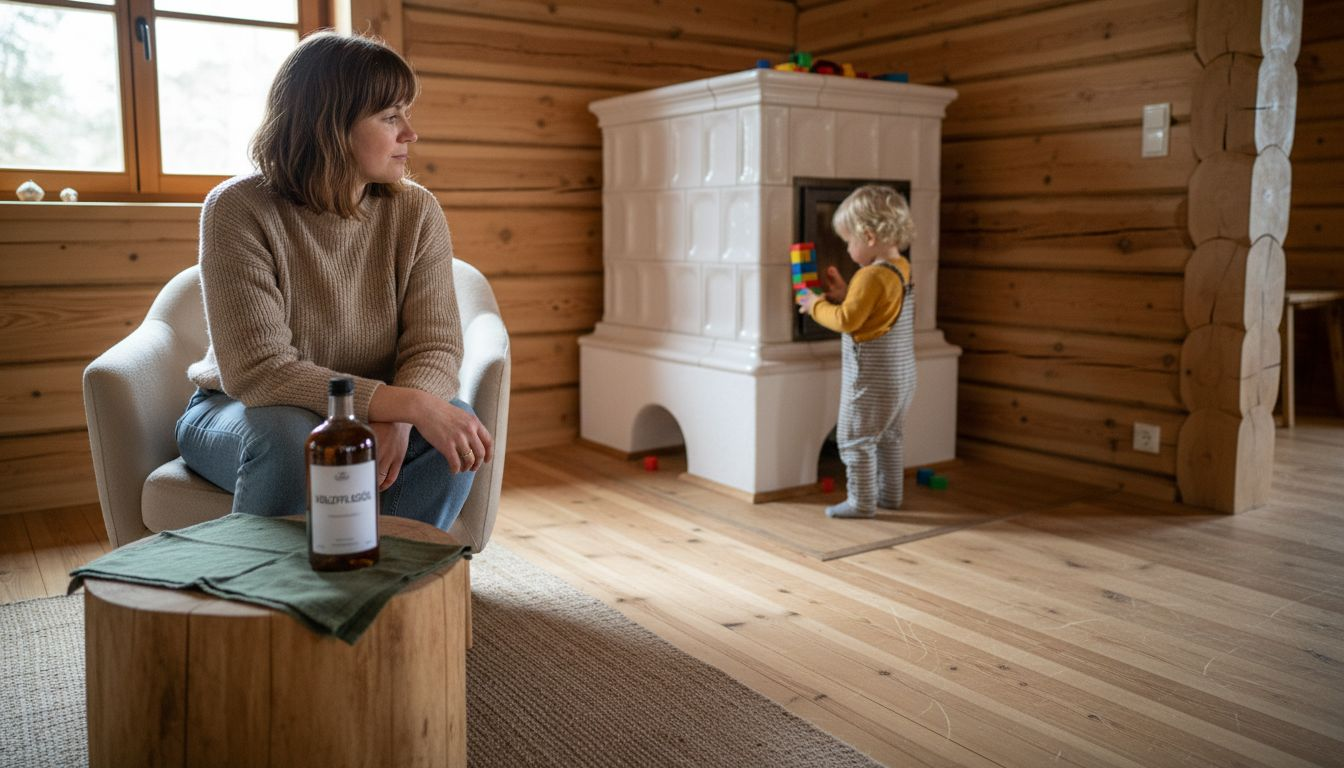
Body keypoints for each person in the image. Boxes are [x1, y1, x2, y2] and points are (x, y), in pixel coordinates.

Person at [175, 31, 492, 532]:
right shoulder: (238, 207)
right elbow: (260, 372)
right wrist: (408, 404)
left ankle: (383, 572)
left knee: (452, 431)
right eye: (390, 117)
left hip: (371, 411)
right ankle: (268, 580)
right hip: (244, 411)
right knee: (293, 439)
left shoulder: (417, 210)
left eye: (406, 114)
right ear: (330, 126)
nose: (410, 134)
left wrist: (398, 419)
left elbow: (435, 345)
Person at [796, 185, 916, 519]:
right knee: (889, 436)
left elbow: (847, 320)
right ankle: (890, 495)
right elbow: (878, 309)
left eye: (849, 241)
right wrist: (847, 293)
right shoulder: (900, 267)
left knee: (855, 439)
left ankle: (861, 503)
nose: (848, 249)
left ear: (869, 236)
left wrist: (815, 304)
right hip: (902, 376)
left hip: (871, 380)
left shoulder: (869, 274)